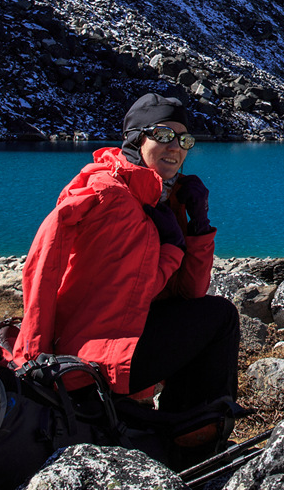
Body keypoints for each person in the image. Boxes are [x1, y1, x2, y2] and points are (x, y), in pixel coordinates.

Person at [13, 93, 239, 433]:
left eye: (184, 139)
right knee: (220, 319)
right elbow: (42, 265)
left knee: (212, 313)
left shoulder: (164, 198)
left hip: (127, 335)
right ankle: (192, 437)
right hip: (92, 351)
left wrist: (198, 229)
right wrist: (32, 358)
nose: (175, 147)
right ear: (135, 138)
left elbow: (188, 293)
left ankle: (179, 428)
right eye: (163, 135)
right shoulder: (105, 191)